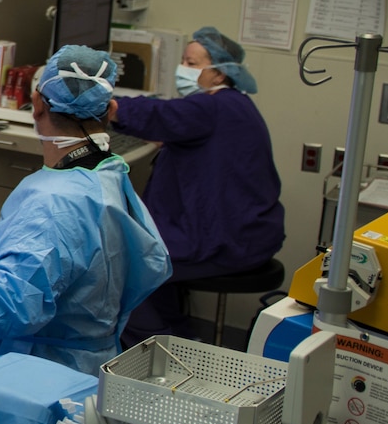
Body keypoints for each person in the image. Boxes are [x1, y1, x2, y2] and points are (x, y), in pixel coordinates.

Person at [0, 47, 171, 375]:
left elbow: (13, 302)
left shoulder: (53, 203)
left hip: (37, 376)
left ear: (37, 105)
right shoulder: (107, 174)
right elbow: (103, 262)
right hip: (86, 366)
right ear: (110, 110)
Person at [114, 26, 286, 343]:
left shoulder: (212, 107)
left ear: (220, 74)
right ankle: (178, 338)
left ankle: (159, 350)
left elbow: (159, 113)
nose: (184, 70)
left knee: (128, 266)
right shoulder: (235, 105)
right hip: (247, 233)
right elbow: (175, 124)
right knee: (149, 258)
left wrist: (108, 106)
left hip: (226, 241)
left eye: (192, 64)